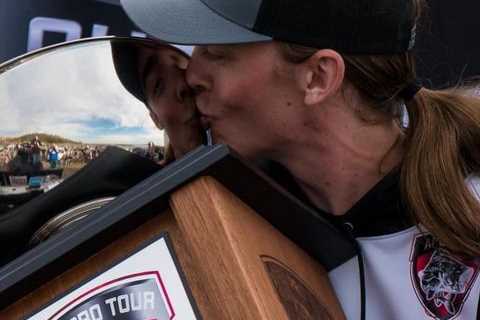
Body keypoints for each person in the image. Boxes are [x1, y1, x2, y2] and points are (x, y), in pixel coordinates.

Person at [122, 0, 480, 319]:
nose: (192, 74)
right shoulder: (233, 212)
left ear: (317, 77)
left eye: (218, 52)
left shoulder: (468, 204)